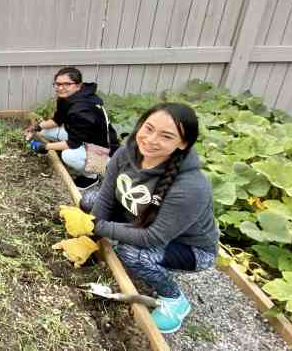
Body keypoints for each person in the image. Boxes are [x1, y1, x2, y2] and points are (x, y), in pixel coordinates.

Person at [84, 103, 218, 334]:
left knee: (130, 252)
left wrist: (99, 226)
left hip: (188, 247)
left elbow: (152, 236)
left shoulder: (191, 186)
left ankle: (174, 300)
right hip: (139, 218)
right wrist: (90, 234)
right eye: (148, 128)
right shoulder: (128, 152)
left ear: (183, 143)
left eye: (166, 136)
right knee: (88, 201)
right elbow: (106, 196)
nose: (151, 140)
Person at [26, 67, 119, 189]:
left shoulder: (82, 109)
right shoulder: (68, 98)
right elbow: (57, 120)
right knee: (44, 131)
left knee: (68, 155)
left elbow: (72, 143)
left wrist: (45, 147)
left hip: (103, 152)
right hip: (85, 139)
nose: (60, 88)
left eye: (67, 84)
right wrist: (36, 127)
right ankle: (80, 156)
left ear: (78, 85)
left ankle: (91, 177)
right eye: (58, 84)